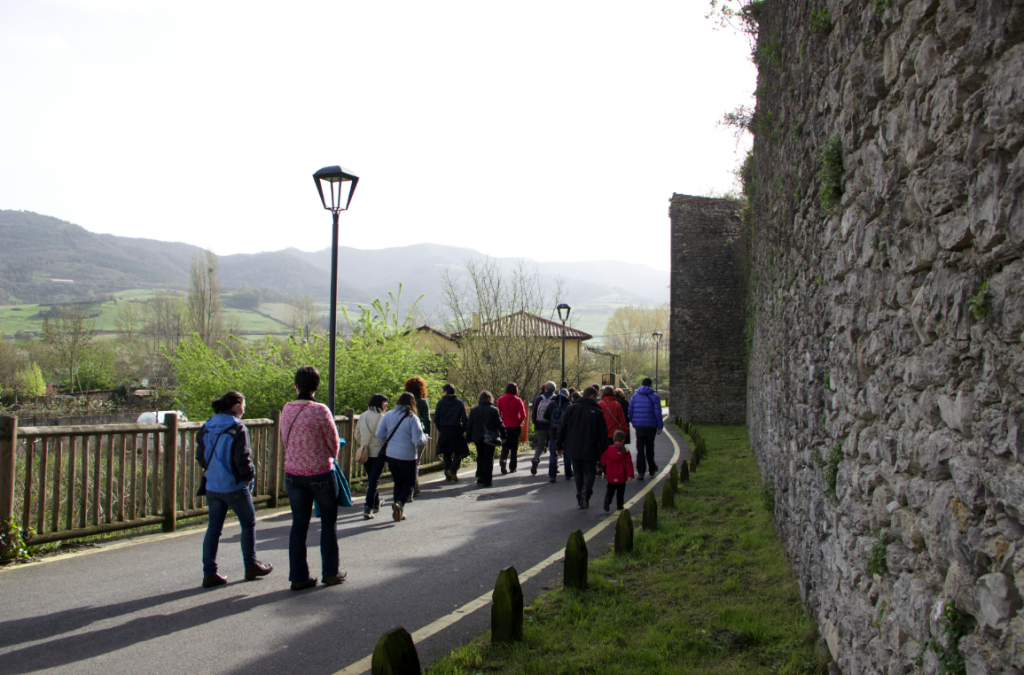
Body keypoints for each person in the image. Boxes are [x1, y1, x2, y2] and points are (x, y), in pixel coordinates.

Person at [196, 390, 272, 588]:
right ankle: (251, 564)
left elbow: (200, 456)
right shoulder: (238, 427)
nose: (244, 410)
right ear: (237, 406)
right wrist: (248, 478)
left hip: (212, 485)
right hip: (234, 485)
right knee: (248, 524)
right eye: (243, 406)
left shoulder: (206, 426)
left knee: (213, 530)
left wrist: (212, 470)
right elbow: (242, 458)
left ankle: (209, 573)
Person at [281, 366, 345, 590]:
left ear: (296, 386)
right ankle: (330, 572)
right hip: (320, 474)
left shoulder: (287, 409)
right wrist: (328, 457)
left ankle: (298, 577)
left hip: (293, 474)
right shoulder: (320, 410)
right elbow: (334, 443)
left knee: (298, 525)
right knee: (328, 522)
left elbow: (284, 439)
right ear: (316, 387)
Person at [375, 392, 429, 522]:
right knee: (409, 483)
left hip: (391, 454)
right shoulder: (412, 417)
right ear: (412, 403)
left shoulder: (388, 415)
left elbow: (379, 434)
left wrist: (388, 442)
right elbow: (417, 439)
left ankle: (399, 510)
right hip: (408, 455)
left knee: (398, 482)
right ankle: (399, 504)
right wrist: (425, 437)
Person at [556, 386, 608, 509]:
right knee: (590, 472)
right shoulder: (597, 412)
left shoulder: (571, 409)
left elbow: (562, 428)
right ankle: (586, 491)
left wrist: (559, 445)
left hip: (573, 446)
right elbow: (603, 434)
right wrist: (605, 451)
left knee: (578, 473)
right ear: (593, 396)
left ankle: (580, 495)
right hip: (590, 446)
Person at [354, 394, 388, 519]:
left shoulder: (362, 416)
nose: (386, 405)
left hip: (365, 452)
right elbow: (384, 436)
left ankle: (376, 503)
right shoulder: (382, 417)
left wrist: (364, 444)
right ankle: (368, 507)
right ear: (379, 403)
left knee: (372, 479)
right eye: (385, 403)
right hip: (378, 453)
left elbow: (357, 435)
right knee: (374, 481)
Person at [467, 391, 505, 487]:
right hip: (490, 437)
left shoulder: (474, 410)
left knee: (480, 456)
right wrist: (504, 436)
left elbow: (469, 425)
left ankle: (480, 476)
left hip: (477, 437)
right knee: (488, 457)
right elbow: (499, 424)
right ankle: (487, 480)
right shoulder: (494, 410)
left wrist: (468, 437)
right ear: (490, 399)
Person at [629, 377, 664, 480]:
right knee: (649, 447)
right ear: (650, 385)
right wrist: (659, 426)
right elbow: (658, 413)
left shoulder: (635, 396)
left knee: (640, 449)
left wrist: (633, 422)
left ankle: (640, 472)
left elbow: (630, 411)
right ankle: (652, 468)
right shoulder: (655, 397)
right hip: (651, 426)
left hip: (639, 426)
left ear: (642, 384)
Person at [434, 384, 470, 481]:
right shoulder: (459, 403)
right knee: (458, 452)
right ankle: (453, 469)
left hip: (444, 430)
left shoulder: (440, 403)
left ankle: (448, 474)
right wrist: (463, 430)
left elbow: (436, 419)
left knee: (446, 453)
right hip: (456, 429)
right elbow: (465, 419)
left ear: (445, 392)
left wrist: (440, 429)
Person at [403, 377, 431, 499]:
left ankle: (413, 486)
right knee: (416, 461)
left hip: (404, 434)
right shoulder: (423, 402)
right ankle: (413, 487)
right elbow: (427, 420)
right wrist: (427, 434)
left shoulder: (404, 402)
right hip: (419, 434)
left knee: (406, 462)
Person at [542, 387, 573, 483]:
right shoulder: (569, 405)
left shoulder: (552, 403)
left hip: (554, 432)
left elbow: (545, 416)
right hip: (566, 433)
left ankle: (552, 475)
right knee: (567, 454)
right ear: (567, 395)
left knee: (553, 454)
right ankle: (568, 474)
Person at [600, 430, 635, 511]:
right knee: (620, 492)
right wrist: (630, 475)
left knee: (610, 489)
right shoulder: (626, 452)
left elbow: (603, 461)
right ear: (623, 440)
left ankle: (607, 500)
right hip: (621, 476)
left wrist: (602, 467)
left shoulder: (609, 449)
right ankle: (619, 505)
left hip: (611, 475)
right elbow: (629, 463)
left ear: (613, 439)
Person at [496, 382, 526, 474]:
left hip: (505, 425)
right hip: (516, 425)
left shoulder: (500, 400)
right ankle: (513, 467)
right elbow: (523, 414)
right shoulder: (518, 400)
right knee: (514, 447)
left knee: (505, 444)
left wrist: (501, 423)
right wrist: (519, 421)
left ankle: (503, 460)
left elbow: (498, 414)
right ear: (515, 390)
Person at [528, 382, 557, 476]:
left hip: (540, 425)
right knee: (552, 446)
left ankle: (536, 459)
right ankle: (554, 466)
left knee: (539, 445)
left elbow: (534, 412)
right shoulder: (556, 398)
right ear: (554, 389)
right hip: (553, 426)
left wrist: (535, 424)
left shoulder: (539, 398)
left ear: (545, 389)